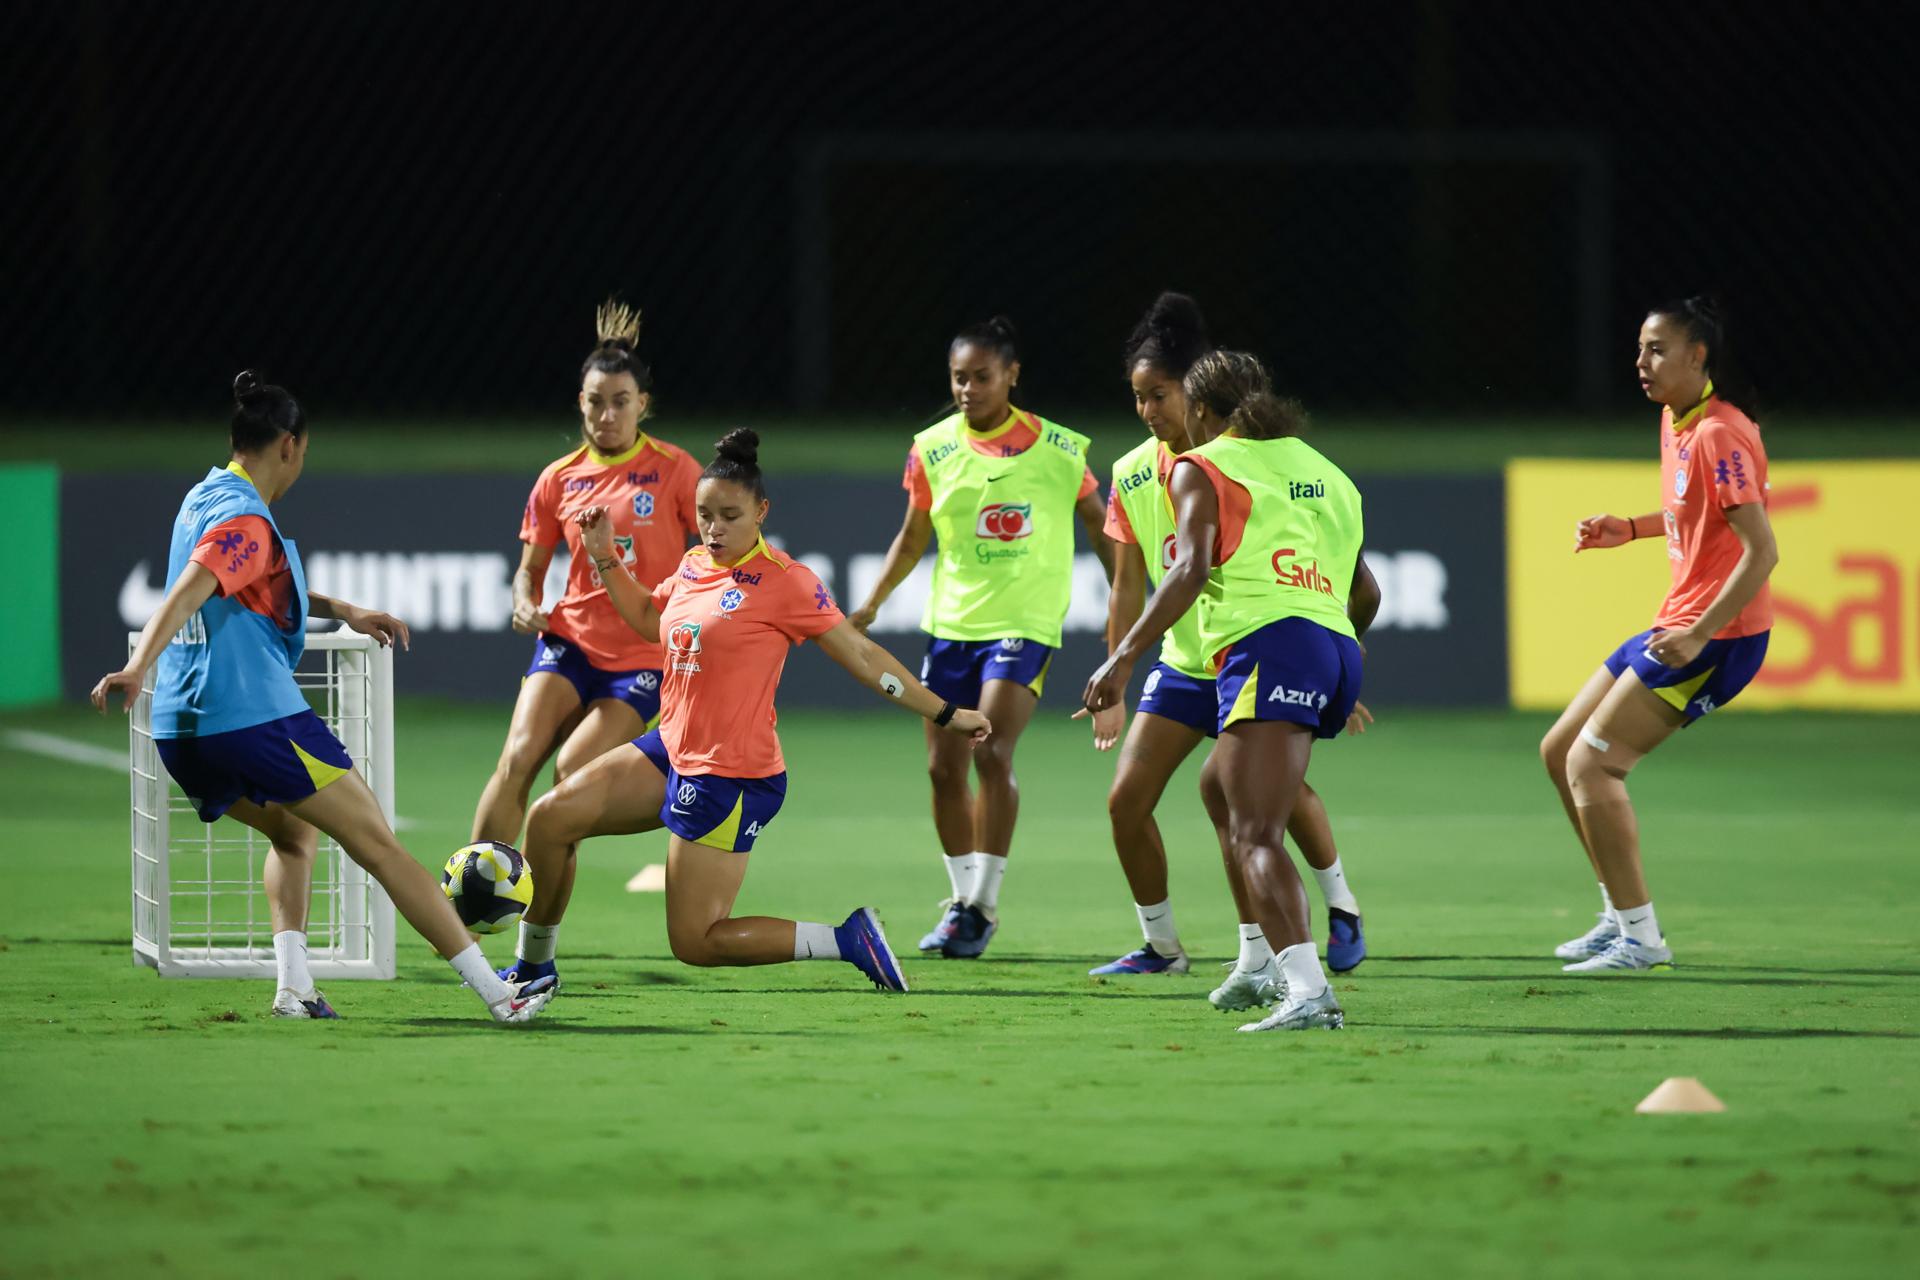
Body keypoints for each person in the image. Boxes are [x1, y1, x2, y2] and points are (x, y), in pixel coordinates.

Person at [90, 372, 548, 1024]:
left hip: (183, 733)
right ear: (291, 446)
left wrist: (343, 609)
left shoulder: (203, 497)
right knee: (382, 848)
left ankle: (294, 989)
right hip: (254, 719)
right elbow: (197, 582)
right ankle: (501, 996)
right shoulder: (245, 516)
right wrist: (138, 663)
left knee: (294, 832)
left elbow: (250, 584)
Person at [495, 429, 992, 998]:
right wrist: (606, 554)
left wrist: (947, 712)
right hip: (670, 750)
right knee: (550, 819)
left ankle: (847, 939)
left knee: (697, 943)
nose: (713, 528)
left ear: (761, 511)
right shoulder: (691, 566)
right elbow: (648, 622)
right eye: (705, 515)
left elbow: (862, 655)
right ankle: (534, 969)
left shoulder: (788, 583)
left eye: (729, 516)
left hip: (727, 775)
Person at [1083, 351, 1379, 1033]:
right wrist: (1333, 647)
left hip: (1263, 643)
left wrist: (1122, 660)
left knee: (1256, 834)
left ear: (1206, 412)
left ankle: (1305, 989)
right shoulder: (1326, 471)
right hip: (1332, 642)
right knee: (1219, 786)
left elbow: (1188, 571)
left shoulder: (1202, 465)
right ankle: (1256, 962)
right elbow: (1367, 591)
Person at [848, 315, 1112, 960]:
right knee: (943, 769)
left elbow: (1108, 534)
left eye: (982, 377)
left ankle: (982, 904)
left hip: (1025, 624)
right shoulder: (932, 449)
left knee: (991, 753)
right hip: (953, 626)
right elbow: (913, 535)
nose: (968, 389)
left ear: (1012, 375)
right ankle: (962, 901)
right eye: (958, 378)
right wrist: (873, 602)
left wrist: (1132, 609)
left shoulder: (1060, 450)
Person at [1541, 296, 1777, 973]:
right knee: (1560, 751)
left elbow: (1761, 550)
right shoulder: (1679, 420)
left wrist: (1701, 633)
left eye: (1657, 349)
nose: (1641, 362)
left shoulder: (1719, 432)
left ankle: (1642, 941)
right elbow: (1692, 510)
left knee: (1595, 764)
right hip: (1679, 619)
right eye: (1642, 349)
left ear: (1698, 356)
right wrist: (1633, 528)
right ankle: (1620, 917)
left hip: (1718, 634)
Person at [470, 300, 700, 855]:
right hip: (569, 641)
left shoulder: (675, 470)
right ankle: (465, 903)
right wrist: (524, 602)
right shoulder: (559, 479)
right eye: (596, 402)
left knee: (572, 771)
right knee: (518, 755)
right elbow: (530, 572)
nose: (607, 415)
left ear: (642, 405)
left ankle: (532, 916)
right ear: (580, 403)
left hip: (642, 658)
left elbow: (721, 548)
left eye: (621, 403)